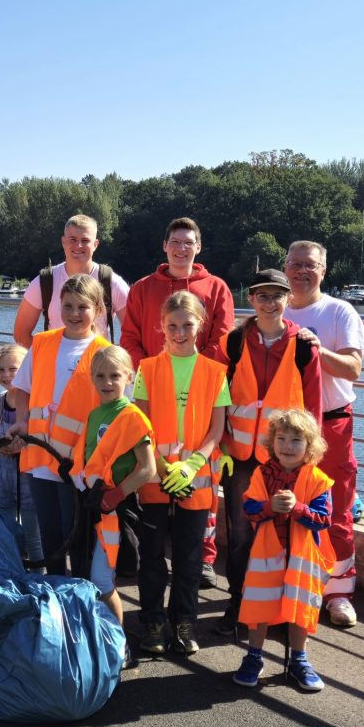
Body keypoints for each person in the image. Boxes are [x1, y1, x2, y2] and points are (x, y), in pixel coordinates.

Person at [119, 217, 236, 588]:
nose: (181, 248)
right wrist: (150, 375)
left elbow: (222, 339)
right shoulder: (141, 288)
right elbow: (129, 337)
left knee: (203, 481)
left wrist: (201, 375)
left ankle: (203, 557)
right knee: (154, 476)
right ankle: (153, 557)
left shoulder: (216, 287)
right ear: (164, 246)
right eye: (175, 242)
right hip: (153, 389)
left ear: (198, 247)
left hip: (202, 390)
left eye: (189, 242)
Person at [213, 269, 322, 639]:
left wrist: (309, 458)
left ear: (288, 299)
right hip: (242, 455)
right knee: (242, 533)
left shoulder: (305, 345)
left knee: (286, 534)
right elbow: (216, 392)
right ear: (251, 298)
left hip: (286, 457)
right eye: (262, 295)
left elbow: (314, 407)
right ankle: (239, 603)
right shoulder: (234, 342)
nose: (269, 302)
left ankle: (279, 611)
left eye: (277, 295)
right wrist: (217, 440)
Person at [132, 291, 230, 655]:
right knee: (153, 555)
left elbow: (216, 430)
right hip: (155, 476)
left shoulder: (216, 372)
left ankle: (183, 621)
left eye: (187, 324)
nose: (179, 331)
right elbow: (140, 426)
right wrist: (162, 465)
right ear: (161, 327)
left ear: (199, 326)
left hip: (196, 480)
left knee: (190, 558)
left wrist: (191, 465)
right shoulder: (147, 368)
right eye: (171, 325)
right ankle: (154, 622)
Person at [284, 240, 364, 628]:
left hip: (331, 423)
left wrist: (318, 350)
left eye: (311, 265)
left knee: (336, 508)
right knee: (287, 507)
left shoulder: (340, 311)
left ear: (324, 270)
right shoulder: (275, 310)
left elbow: (354, 369)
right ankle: (293, 587)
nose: (303, 271)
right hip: (287, 429)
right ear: (285, 267)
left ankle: (338, 593)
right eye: (296, 264)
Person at [9, 274, 111, 575]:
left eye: (83, 307)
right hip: (40, 457)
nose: (74, 314)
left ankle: (79, 599)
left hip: (78, 465)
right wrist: (22, 421)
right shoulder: (42, 344)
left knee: (78, 538)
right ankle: (56, 601)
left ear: (98, 309)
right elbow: (23, 389)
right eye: (67, 306)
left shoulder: (104, 353)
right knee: (51, 539)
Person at [233, 408, 334, 692]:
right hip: (267, 555)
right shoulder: (261, 474)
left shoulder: (318, 480)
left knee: (300, 607)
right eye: (281, 439)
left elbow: (324, 519)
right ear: (272, 442)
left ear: (310, 447)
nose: (287, 447)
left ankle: (299, 659)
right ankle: (254, 656)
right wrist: (269, 507)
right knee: (259, 605)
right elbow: (249, 508)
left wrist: (298, 508)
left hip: (302, 558)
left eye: (296, 441)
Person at [79, 345, 156, 631]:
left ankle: (118, 641)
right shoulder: (94, 414)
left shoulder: (132, 416)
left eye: (114, 375)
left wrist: (115, 496)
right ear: (92, 378)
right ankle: (103, 637)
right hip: (92, 503)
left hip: (115, 507)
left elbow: (148, 468)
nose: (107, 382)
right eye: (100, 376)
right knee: (92, 577)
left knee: (101, 579)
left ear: (129, 377)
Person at [13, 214, 130, 347]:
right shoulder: (44, 282)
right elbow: (21, 334)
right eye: (72, 239)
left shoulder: (111, 282)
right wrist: (46, 357)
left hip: (98, 365)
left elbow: (133, 336)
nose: (78, 245)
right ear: (63, 242)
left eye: (85, 240)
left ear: (95, 244)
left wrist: (114, 362)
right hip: (55, 366)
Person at [0, 344, 44, 566]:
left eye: (14, 369)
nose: (7, 375)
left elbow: (40, 441)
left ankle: (39, 579)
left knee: (33, 534)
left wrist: (22, 448)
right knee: (6, 531)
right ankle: (12, 575)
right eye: (1, 370)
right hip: (3, 477)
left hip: (29, 477)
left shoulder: (34, 401)